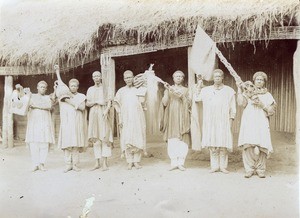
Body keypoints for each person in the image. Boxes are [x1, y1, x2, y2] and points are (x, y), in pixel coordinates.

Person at [237, 71, 276, 178]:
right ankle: (249, 168)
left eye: (261, 80)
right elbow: (241, 103)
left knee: (262, 143)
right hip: (249, 120)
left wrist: (262, 105)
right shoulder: (247, 92)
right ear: (254, 81)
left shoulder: (268, 95)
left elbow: (272, 111)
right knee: (248, 143)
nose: (259, 81)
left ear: (264, 82)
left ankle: (260, 168)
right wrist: (239, 90)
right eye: (257, 79)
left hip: (262, 121)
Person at [196, 69, 236, 173]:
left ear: (222, 78)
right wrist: (199, 86)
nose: (217, 78)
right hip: (211, 120)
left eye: (219, 76)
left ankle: (223, 167)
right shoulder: (206, 90)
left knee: (223, 144)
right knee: (212, 144)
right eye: (215, 76)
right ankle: (214, 166)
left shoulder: (229, 90)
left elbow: (233, 108)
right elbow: (197, 98)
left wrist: (231, 120)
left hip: (223, 120)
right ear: (213, 78)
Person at [114, 70, 146, 170]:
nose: (128, 79)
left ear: (133, 78)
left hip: (137, 117)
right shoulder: (121, 91)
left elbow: (143, 102)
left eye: (130, 77)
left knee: (137, 137)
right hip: (125, 117)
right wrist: (120, 114)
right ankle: (129, 161)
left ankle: (136, 161)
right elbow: (115, 103)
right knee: (127, 138)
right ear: (124, 79)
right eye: (126, 78)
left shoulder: (139, 89)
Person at [160, 70, 190, 171]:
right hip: (172, 115)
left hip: (183, 115)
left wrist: (182, 97)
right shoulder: (169, 89)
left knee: (183, 138)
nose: (178, 78)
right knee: (172, 138)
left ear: (183, 78)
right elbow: (164, 103)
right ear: (173, 78)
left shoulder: (186, 90)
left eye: (180, 76)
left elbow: (189, 104)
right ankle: (174, 162)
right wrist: (166, 92)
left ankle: (181, 163)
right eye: (176, 76)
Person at [57, 78, 87, 173]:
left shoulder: (81, 96)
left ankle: (75, 165)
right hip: (67, 123)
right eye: (71, 86)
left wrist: (69, 101)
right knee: (67, 144)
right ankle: (68, 164)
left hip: (76, 122)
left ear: (78, 87)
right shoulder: (63, 96)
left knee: (75, 144)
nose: (73, 87)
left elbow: (82, 107)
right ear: (69, 87)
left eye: (75, 86)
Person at [25, 81, 55, 172]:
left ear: (46, 89)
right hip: (34, 123)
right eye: (41, 87)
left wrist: (36, 106)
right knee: (34, 143)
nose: (42, 88)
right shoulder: (32, 96)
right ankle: (35, 164)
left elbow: (49, 106)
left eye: (44, 87)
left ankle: (42, 164)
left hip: (45, 122)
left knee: (44, 143)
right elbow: (27, 105)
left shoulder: (47, 97)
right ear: (37, 87)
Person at [86, 71, 113, 171]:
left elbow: (109, 101)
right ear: (92, 78)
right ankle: (97, 162)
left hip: (103, 112)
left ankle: (105, 163)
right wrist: (96, 102)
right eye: (94, 76)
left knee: (104, 136)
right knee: (95, 138)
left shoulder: (106, 88)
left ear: (101, 77)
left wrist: (106, 110)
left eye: (98, 76)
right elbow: (88, 103)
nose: (96, 78)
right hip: (93, 113)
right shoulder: (90, 89)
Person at [190, 74, 204, 151]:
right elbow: (193, 98)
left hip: (204, 108)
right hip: (195, 107)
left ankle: (204, 146)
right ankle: (196, 147)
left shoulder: (207, 88)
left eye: (201, 77)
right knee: (195, 125)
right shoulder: (193, 87)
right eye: (198, 77)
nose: (199, 79)